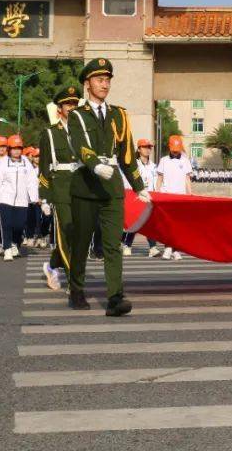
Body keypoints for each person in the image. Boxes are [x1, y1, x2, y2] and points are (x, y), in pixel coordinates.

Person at [65, 58, 150, 316]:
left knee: (112, 244)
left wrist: (138, 185)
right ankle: (76, 290)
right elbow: (79, 144)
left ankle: (115, 297)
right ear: (87, 83)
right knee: (81, 243)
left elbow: (126, 154)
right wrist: (93, 164)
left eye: (107, 80)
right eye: (99, 80)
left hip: (111, 186)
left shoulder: (119, 115)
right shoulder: (77, 115)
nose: (105, 84)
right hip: (86, 186)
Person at [37, 85, 81, 294]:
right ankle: (75, 282)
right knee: (66, 233)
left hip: (82, 189)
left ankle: (52, 266)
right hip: (61, 188)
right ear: (59, 109)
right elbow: (44, 165)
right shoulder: (50, 134)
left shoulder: (84, 132)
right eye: (67, 104)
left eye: (74, 103)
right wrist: (45, 197)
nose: (71, 107)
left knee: (78, 236)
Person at [0, 135, 38, 261]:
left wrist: (34, 197)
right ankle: (7, 249)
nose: (16, 151)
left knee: (19, 225)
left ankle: (15, 243)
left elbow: (32, 181)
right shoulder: (3, 162)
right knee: (6, 224)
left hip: (22, 200)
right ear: (9, 149)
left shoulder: (26, 162)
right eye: (14, 148)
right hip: (5, 199)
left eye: (19, 148)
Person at [156, 135, 193, 260]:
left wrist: (190, 195)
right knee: (167, 224)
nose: (176, 152)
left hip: (180, 197)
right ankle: (168, 248)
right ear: (170, 148)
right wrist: (157, 194)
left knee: (178, 225)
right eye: (174, 150)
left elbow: (187, 179)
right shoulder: (164, 160)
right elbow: (159, 179)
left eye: (178, 150)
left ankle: (174, 249)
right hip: (166, 196)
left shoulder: (185, 161)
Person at [121, 139, 159, 256]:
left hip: (149, 197)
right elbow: (127, 180)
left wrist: (156, 194)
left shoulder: (153, 166)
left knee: (149, 223)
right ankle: (127, 244)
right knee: (135, 222)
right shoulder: (134, 165)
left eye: (149, 147)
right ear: (138, 149)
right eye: (145, 147)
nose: (148, 149)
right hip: (136, 197)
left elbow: (156, 182)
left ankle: (153, 248)